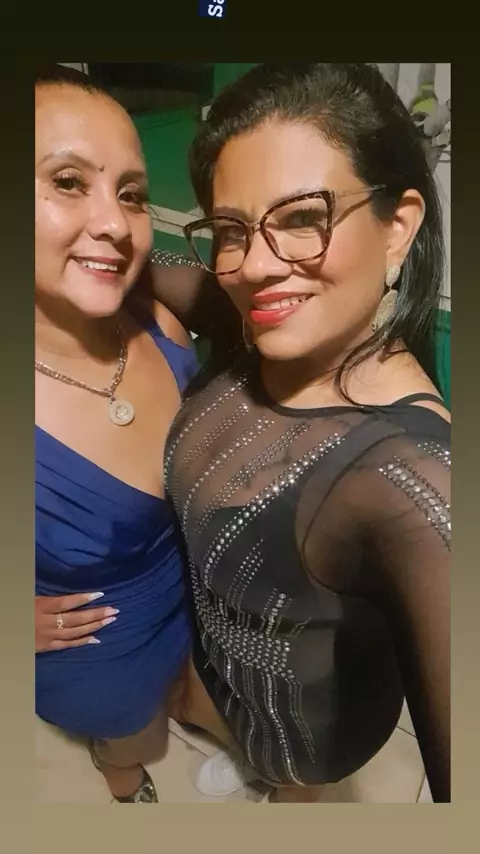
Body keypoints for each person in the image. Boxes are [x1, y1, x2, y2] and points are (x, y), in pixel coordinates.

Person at [161, 62, 451, 803]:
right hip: (225, 672)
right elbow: (141, 269)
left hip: (310, 728)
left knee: (290, 779)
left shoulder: (411, 478)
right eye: (231, 229)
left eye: (301, 218)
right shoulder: (256, 319)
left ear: (398, 227)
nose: (253, 266)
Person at [35, 64, 200, 803]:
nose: (115, 223)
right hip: (98, 648)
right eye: (68, 181)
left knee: (191, 692)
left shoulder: (160, 322)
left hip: (192, 597)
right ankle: (127, 788)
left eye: (130, 193)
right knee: (131, 738)